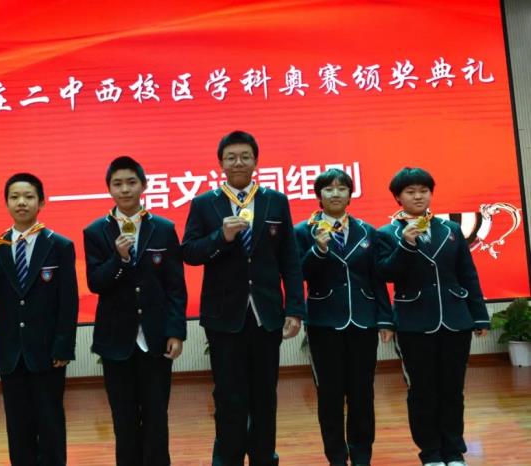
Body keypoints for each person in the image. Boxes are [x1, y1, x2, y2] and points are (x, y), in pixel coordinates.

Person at [181, 130, 304, 466]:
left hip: (266, 314)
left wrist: (295, 308)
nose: (238, 162)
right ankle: (228, 458)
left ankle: (264, 456)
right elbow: (189, 252)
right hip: (224, 316)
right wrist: (221, 237)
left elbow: (290, 259)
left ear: (255, 161)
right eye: (231, 157)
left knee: (265, 393)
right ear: (221, 163)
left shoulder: (275, 200)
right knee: (228, 395)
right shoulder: (205, 203)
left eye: (245, 156)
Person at [377, 167, 490, 466]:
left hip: (455, 319)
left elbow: (467, 273)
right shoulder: (386, 234)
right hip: (413, 323)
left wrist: (479, 316)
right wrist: (406, 244)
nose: (418, 196)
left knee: (453, 389)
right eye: (410, 192)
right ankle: (430, 453)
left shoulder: (450, 229)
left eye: (423, 190)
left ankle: (454, 451)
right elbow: (385, 273)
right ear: (398, 197)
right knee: (422, 391)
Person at [83, 156, 187, 466]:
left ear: (144, 185)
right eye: (117, 184)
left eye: (131, 182)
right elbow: (96, 283)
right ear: (109, 189)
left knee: (157, 416)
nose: (125, 189)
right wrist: (120, 258)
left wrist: (176, 332)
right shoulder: (95, 231)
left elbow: (175, 287)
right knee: (123, 418)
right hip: (116, 341)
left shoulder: (164, 229)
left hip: (156, 339)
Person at [0, 173, 78, 466]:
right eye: (15, 197)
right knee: (17, 425)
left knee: (50, 421)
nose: (21, 202)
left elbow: (68, 301)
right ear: (7, 203)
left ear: (41, 202)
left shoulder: (59, 245)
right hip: (11, 352)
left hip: (47, 352)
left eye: (29, 196)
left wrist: (63, 346)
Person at [294, 168, 393, 466]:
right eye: (329, 189)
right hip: (324, 323)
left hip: (363, 321)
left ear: (350, 194)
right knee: (330, 395)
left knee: (362, 393)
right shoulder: (303, 231)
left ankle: (362, 455)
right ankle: (336, 456)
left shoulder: (368, 231)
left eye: (341, 188)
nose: (335, 193)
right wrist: (319, 250)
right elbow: (297, 274)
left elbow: (377, 279)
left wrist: (385, 319)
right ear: (319, 195)